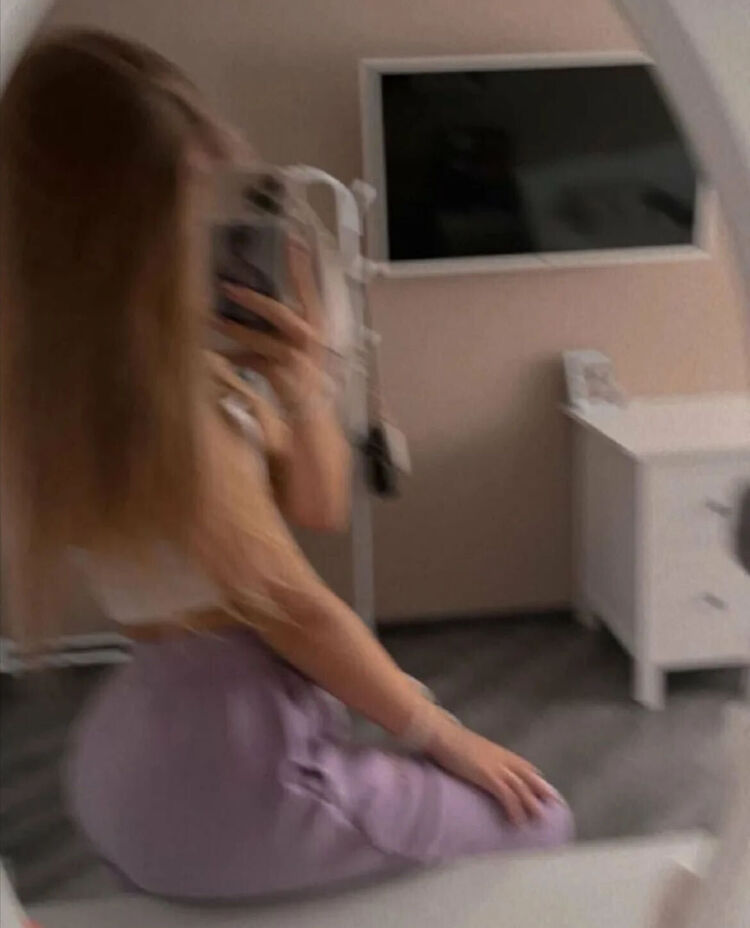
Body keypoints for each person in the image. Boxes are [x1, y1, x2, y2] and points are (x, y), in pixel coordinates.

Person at [0, 30, 573, 900]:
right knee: (540, 819)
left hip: (131, 760)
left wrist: (305, 384)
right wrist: (444, 734)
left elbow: (316, 507)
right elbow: (295, 608)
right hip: (231, 779)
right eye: (184, 195)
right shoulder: (167, 407)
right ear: (122, 222)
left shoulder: (72, 384)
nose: (200, 225)